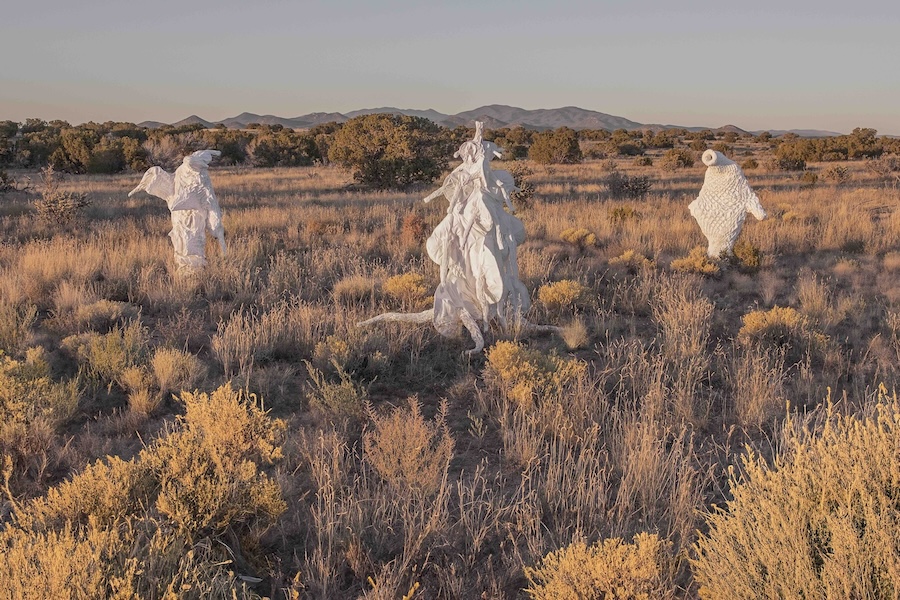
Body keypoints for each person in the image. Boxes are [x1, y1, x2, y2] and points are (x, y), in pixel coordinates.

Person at [129, 150, 226, 272]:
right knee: (184, 240)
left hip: (194, 217)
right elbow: (210, 203)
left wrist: (216, 228)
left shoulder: (201, 177)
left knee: (192, 241)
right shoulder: (185, 172)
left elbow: (211, 202)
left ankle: (193, 271)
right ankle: (187, 271)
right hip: (182, 217)